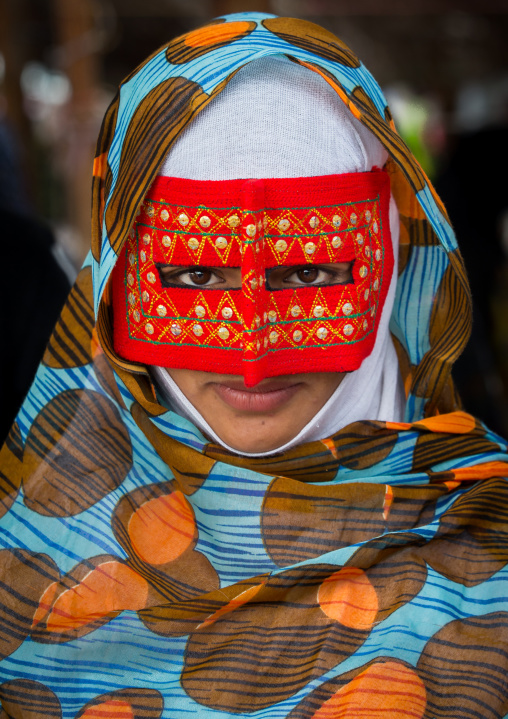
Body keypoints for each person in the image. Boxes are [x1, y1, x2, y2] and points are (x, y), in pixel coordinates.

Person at [0, 13, 507, 718]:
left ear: (389, 261)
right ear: (117, 281)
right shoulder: (27, 561)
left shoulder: (495, 553)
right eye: (194, 276)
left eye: (307, 272)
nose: (252, 348)